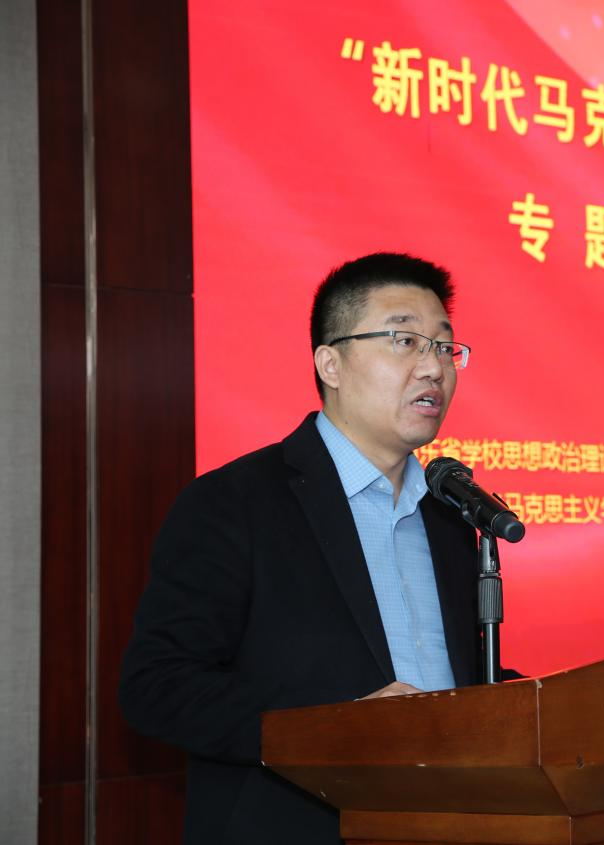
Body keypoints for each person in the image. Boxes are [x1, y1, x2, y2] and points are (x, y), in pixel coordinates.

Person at [119, 253, 482, 844]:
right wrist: (334, 725)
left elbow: (463, 681)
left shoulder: (449, 516)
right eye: (404, 340)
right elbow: (158, 687)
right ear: (330, 363)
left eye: (444, 347)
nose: (433, 367)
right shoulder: (235, 502)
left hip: (454, 823)